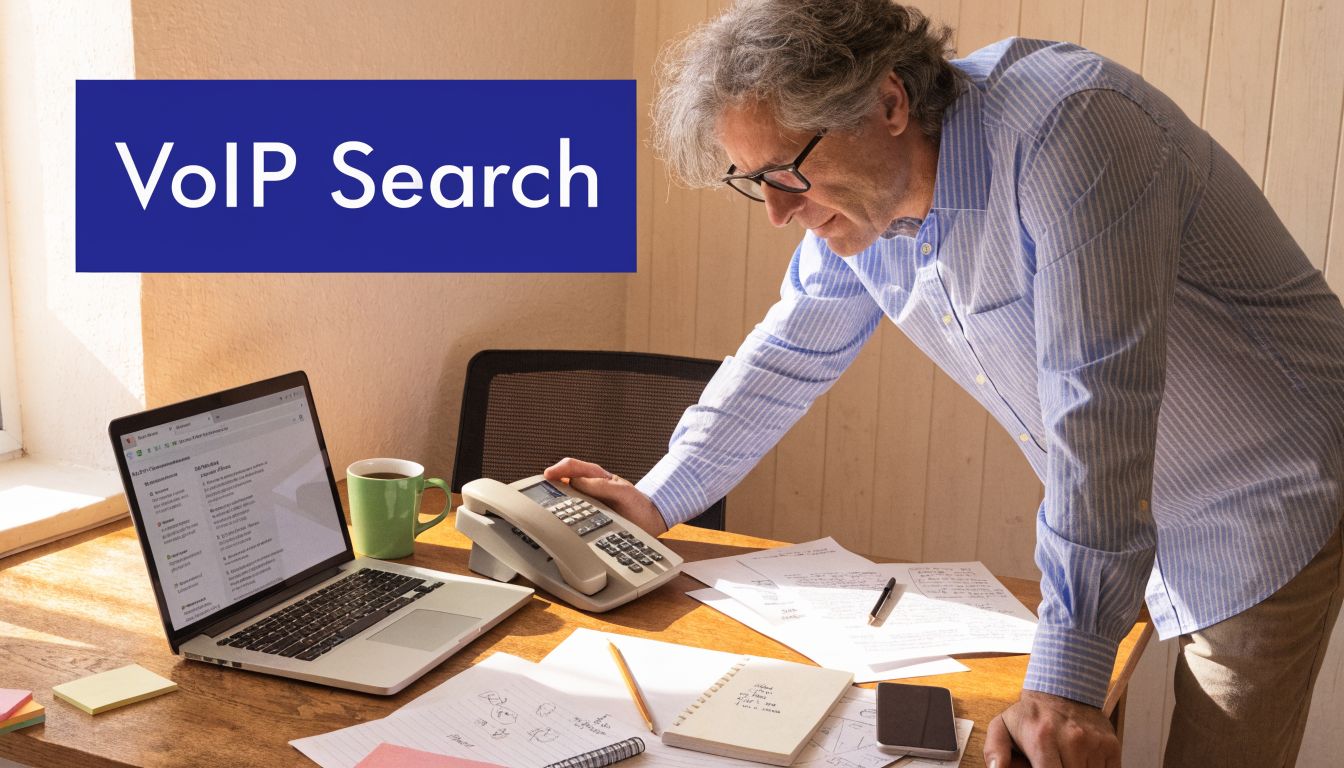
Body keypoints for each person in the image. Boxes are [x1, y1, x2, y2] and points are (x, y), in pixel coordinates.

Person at [545, 1, 1344, 765]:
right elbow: (790, 353)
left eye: (788, 169)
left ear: (889, 101)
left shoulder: (1071, 131)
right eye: (754, 180)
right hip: (1129, 496)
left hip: (1268, 485)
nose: (778, 213)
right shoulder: (860, 201)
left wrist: (1066, 686)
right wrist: (656, 497)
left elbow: (1097, 412)